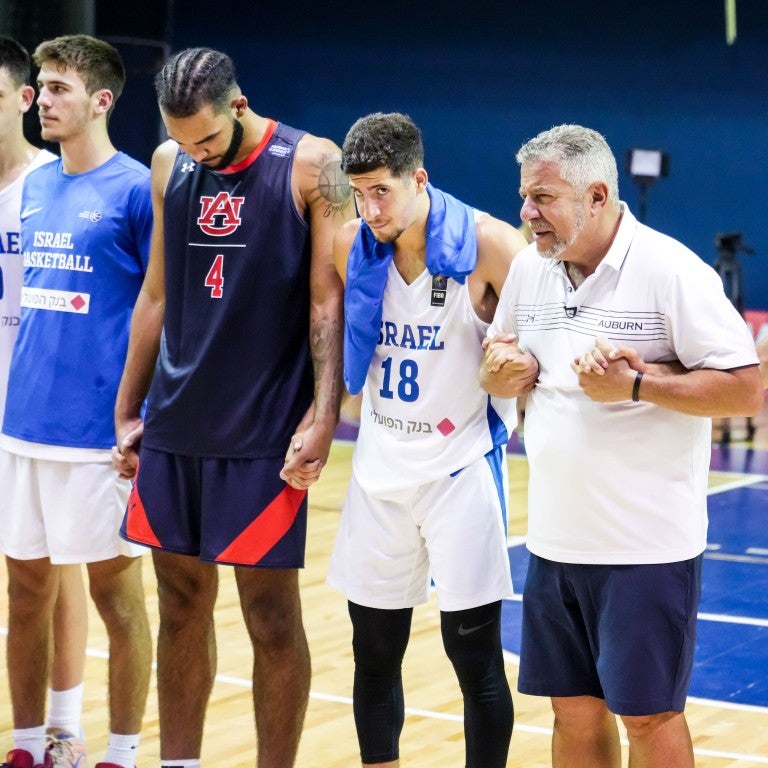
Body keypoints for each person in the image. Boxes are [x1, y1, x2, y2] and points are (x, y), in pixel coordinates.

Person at [481, 123, 763, 768]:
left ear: (598, 195)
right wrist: (495, 371)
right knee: (571, 709)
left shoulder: (671, 270)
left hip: (646, 548)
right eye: (525, 196)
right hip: (554, 541)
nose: (527, 212)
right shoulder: (530, 267)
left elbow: (746, 391)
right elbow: (499, 355)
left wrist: (636, 384)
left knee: (648, 715)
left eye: (543, 197)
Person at [111, 46, 353, 768]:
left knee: (271, 618)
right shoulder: (166, 164)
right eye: (183, 141)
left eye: (208, 140)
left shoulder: (313, 163)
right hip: (177, 420)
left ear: (239, 108)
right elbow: (155, 293)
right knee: (178, 603)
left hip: (264, 427)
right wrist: (128, 408)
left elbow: (327, 300)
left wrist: (324, 414)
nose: (197, 155)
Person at [326, 112, 535, 768]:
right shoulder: (348, 243)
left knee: (474, 658)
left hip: (460, 467)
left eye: (382, 191)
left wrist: (512, 370)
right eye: (358, 192)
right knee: (374, 654)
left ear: (419, 178)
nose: (369, 207)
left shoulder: (492, 244)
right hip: (379, 465)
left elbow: (537, 358)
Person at [0, 34, 153, 768]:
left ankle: (121, 752)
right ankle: (29, 744)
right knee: (25, 595)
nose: (45, 101)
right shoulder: (32, 187)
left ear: (101, 101)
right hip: (23, 426)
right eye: (40, 86)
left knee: (117, 602)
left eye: (57, 88)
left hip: (99, 437)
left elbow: (164, 311)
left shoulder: (136, 190)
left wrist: (144, 416)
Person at [0, 35, 91, 763]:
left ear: (24, 99)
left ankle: (63, 729)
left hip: (39, 412)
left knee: (55, 572)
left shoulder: (47, 185)